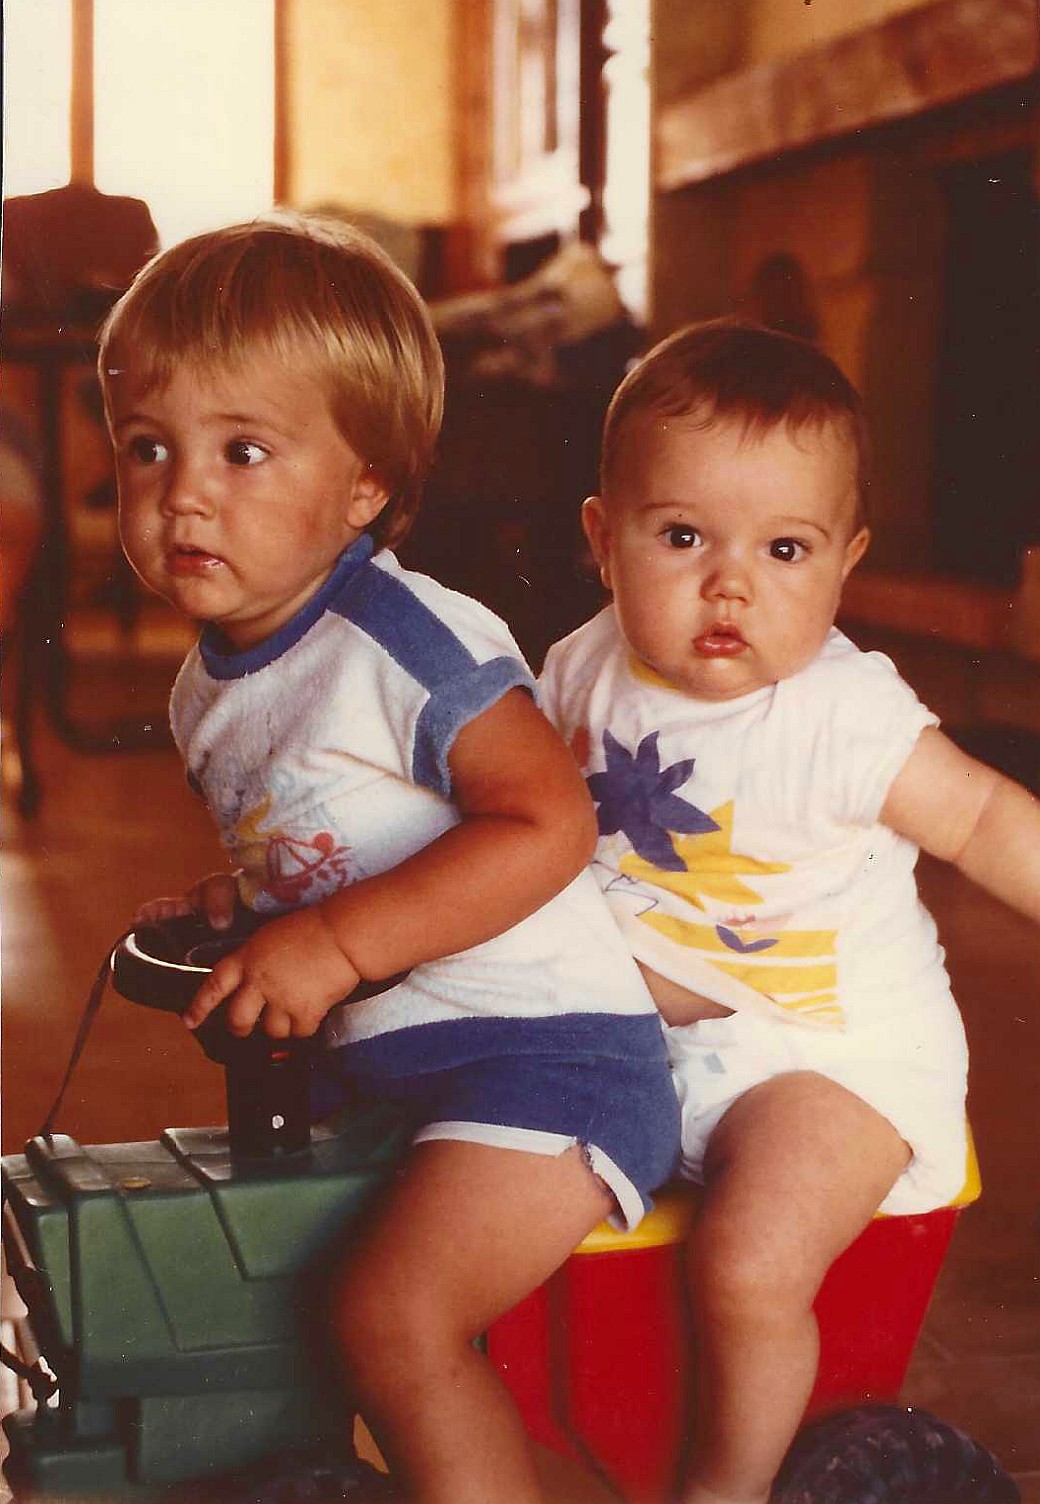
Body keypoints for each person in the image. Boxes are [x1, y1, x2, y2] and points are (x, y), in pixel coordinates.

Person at [97, 213, 679, 1504]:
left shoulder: (397, 637)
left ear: (362, 487)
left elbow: (547, 823)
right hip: (408, 1072)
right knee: (293, 1288)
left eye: (243, 450)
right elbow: (322, 834)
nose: (184, 491)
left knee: (388, 1319)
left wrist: (340, 942)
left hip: (549, 1060)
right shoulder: (209, 686)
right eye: (149, 448)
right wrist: (246, 899)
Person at [538, 318, 1040, 1504]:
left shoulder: (839, 714)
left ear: (843, 564)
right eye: (680, 536)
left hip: (826, 1054)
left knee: (748, 1260)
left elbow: (976, 820)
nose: (730, 583)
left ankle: (729, 1485)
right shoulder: (577, 668)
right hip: (646, 1036)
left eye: (783, 548)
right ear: (602, 541)